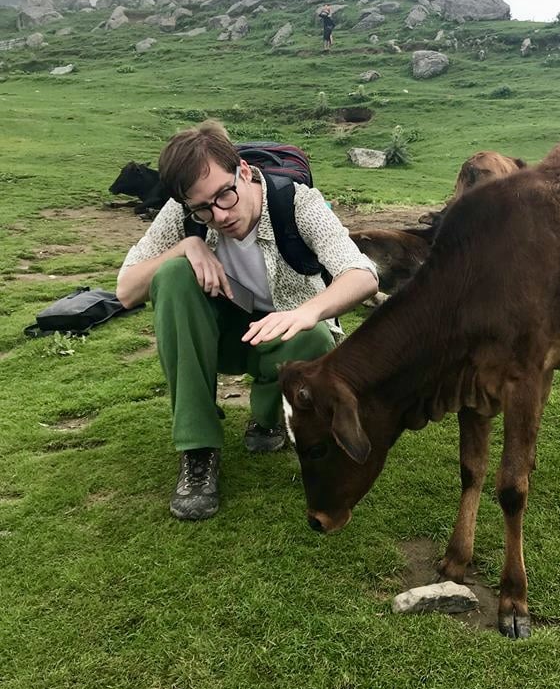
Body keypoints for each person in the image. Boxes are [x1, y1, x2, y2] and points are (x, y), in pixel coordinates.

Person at [116, 120, 378, 521]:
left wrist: (307, 311)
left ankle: (267, 417)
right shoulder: (184, 213)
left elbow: (361, 273)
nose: (218, 215)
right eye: (202, 208)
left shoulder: (298, 203)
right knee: (169, 275)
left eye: (224, 196)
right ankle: (198, 450)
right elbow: (126, 289)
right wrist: (187, 246)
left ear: (242, 170)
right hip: (221, 337)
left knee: (318, 337)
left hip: (287, 339)